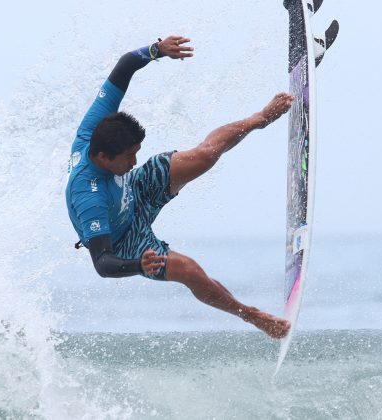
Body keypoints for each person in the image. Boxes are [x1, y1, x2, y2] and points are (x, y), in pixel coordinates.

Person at [65, 35, 292, 339]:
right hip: (123, 241)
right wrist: (138, 265)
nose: (136, 160)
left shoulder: (96, 129)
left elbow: (125, 65)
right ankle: (250, 314)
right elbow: (103, 263)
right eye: (129, 156)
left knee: (204, 155)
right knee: (188, 270)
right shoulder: (88, 196)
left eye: (137, 152)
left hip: (135, 192)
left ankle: (258, 119)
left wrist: (157, 50)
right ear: (103, 157)